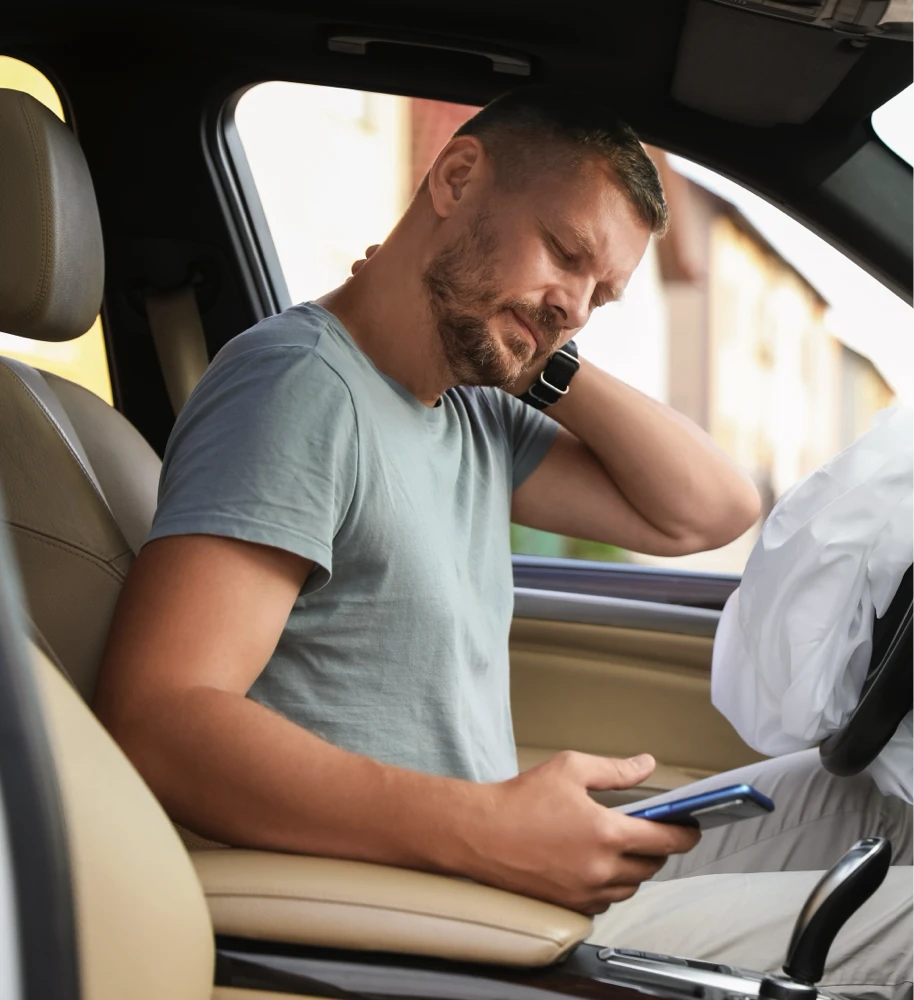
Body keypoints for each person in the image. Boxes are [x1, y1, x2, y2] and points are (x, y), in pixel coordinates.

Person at [94, 86, 911, 995]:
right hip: (427, 898)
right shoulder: (297, 391)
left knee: (882, 805)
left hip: (484, 860)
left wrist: (538, 348)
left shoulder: (469, 411)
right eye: (566, 254)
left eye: (601, 297)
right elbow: (158, 718)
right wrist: (486, 827)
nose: (575, 308)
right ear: (456, 176)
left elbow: (707, 509)